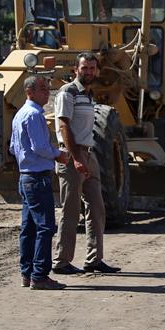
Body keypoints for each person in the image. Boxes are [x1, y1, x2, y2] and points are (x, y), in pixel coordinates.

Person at [52, 52, 121, 275]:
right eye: (85, 68)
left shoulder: (89, 95)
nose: (89, 72)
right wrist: (76, 159)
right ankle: (61, 262)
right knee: (70, 211)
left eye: (92, 68)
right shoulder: (67, 93)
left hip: (89, 155)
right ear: (76, 70)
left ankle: (94, 260)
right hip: (74, 156)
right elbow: (64, 127)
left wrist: (87, 159)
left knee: (97, 208)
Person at [11, 76, 70, 290]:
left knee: (29, 228)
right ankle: (40, 275)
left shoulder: (19, 114)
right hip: (37, 178)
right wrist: (58, 155)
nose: (47, 93)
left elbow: (12, 148)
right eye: (43, 89)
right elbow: (39, 147)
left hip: (25, 177)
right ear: (30, 92)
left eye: (47, 89)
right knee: (45, 226)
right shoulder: (34, 114)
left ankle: (27, 273)